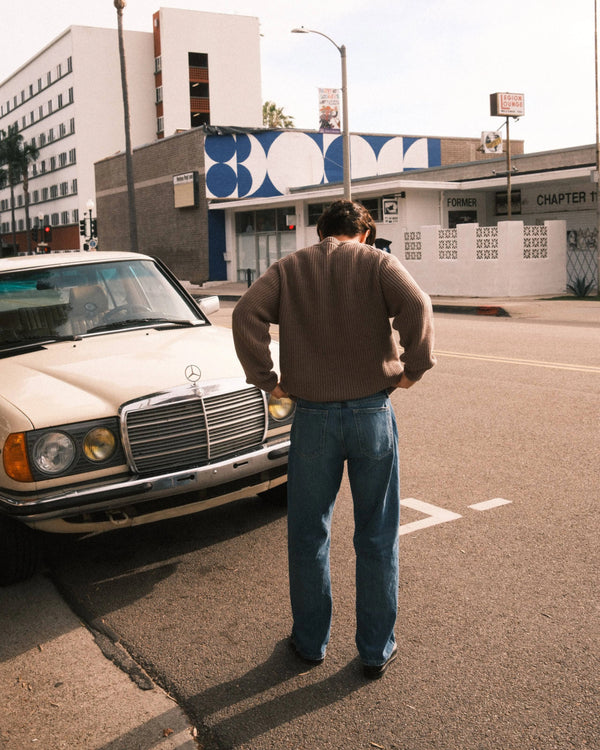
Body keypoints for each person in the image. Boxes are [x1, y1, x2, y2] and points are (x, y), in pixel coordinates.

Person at [231, 200, 435, 679]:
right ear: (363, 233)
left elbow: (245, 314)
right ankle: (374, 650)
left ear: (321, 232)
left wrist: (268, 378)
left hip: (314, 418)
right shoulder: (380, 263)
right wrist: (412, 370)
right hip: (371, 413)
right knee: (377, 535)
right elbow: (417, 305)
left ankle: (309, 643)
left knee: (308, 533)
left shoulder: (289, 267)